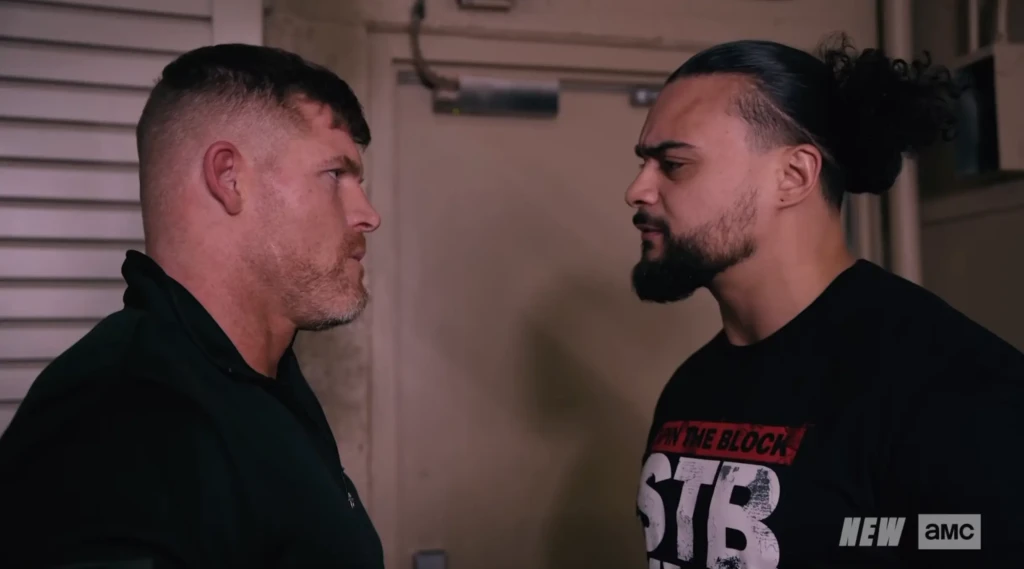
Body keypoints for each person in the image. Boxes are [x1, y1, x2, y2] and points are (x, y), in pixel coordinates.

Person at [629, 34, 1024, 569]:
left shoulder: (954, 388)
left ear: (793, 177)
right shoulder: (692, 386)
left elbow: (963, 535)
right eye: (643, 163)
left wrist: (854, 533)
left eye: (673, 164)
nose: (637, 190)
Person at [0, 44, 383, 568]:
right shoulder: (119, 422)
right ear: (229, 178)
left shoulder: (260, 380)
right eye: (336, 174)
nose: (367, 215)